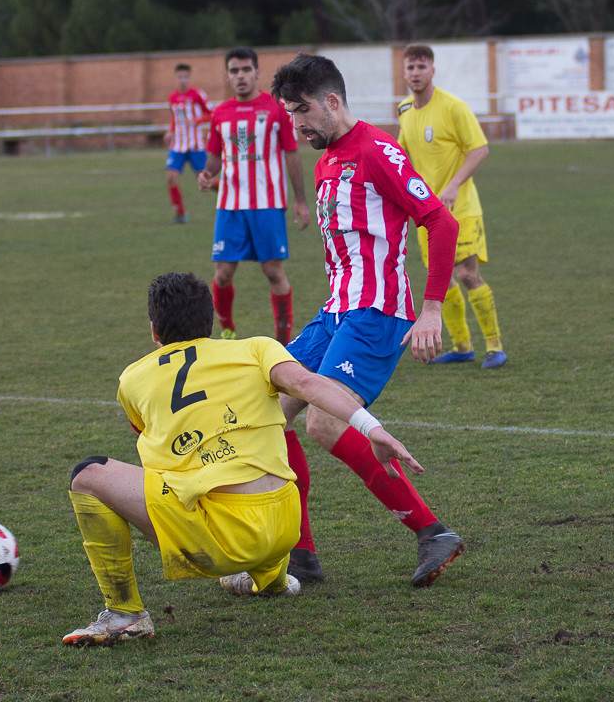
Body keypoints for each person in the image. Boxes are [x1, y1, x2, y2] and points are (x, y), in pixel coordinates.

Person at [62, 271, 424, 646]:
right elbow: (308, 384)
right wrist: (373, 429)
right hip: (286, 529)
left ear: (155, 331)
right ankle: (273, 579)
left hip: (221, 542)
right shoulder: (258, 348)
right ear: (212, 321)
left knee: (87, 474)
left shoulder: (132, 379)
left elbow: (151, 439)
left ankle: (124, 615)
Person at [270, 52, 465, 588]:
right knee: (263, 410)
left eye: (302, 110)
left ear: (332, 101)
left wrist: (431, 308)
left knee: (324, 421)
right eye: (290, 114)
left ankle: (431, 532)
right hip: (336, 311)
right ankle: (301, 553)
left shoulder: (378, 150)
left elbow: (439, 223)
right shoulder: (327, 157)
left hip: (377, 313)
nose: (298, 124)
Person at [398, 44, 507, 367]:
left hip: (461, 208)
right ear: (404, 73)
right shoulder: (405, 109)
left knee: (466, 274)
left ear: (433, 70)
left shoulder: (454, 107)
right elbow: (402, 156)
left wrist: (453, 185)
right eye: (411, 67)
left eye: (422, 66)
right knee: (440, 278)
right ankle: (462, 347)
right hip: (427, 212)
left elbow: (479, 149)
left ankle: (494, 345)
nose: (416, 73)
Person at [198, 47, 310, 345]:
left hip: (268, 205)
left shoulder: (276, 108)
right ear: (228, 75)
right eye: (234, 71)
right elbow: (213, 158)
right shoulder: (220, 113)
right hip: (230, 206)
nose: (240, 76)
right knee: (222, 274)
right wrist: (206, 174)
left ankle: (284, 344)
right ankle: (227, 329)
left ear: (257, 72)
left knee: (273, 272)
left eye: (246, 69)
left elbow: (292, 154)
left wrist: (300, 200)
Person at [163, 63, 212, 224]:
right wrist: (170, 131)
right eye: (179, 77)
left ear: (189, 77)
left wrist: (197, 121)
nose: (182, 80)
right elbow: (174, 118)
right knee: (170, 177)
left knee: (205, 180)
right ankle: (180, 214)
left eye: (185, 76)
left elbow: (211, 114)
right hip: (178, 145)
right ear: (176, 78)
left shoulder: (197, 95)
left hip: (196, 144)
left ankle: (231, 193)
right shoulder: (172, 97)